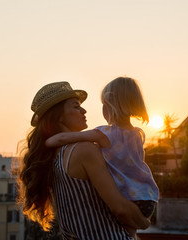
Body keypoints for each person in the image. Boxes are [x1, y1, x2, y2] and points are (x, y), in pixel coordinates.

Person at [17, 81, 150, 240]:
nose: (84, 110)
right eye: (76, 106)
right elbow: (119, 208)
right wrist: (144, 222)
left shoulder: (51, 157)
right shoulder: (84, 150)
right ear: (59, 115)